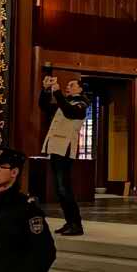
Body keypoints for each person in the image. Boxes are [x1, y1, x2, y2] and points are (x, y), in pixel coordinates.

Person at [39, 72, 88, 236]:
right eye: (67, 85)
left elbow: (69, 112)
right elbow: (44, 106)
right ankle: (69, 221)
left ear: (80, 89)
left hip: (65, 149)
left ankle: (76, 224)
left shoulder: (82, 104)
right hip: (55, 148)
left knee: (64, 188)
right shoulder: (65, 102)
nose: (68, 87)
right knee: (60, 189)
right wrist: (46, 90)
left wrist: (58, 92)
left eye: (72, 85)